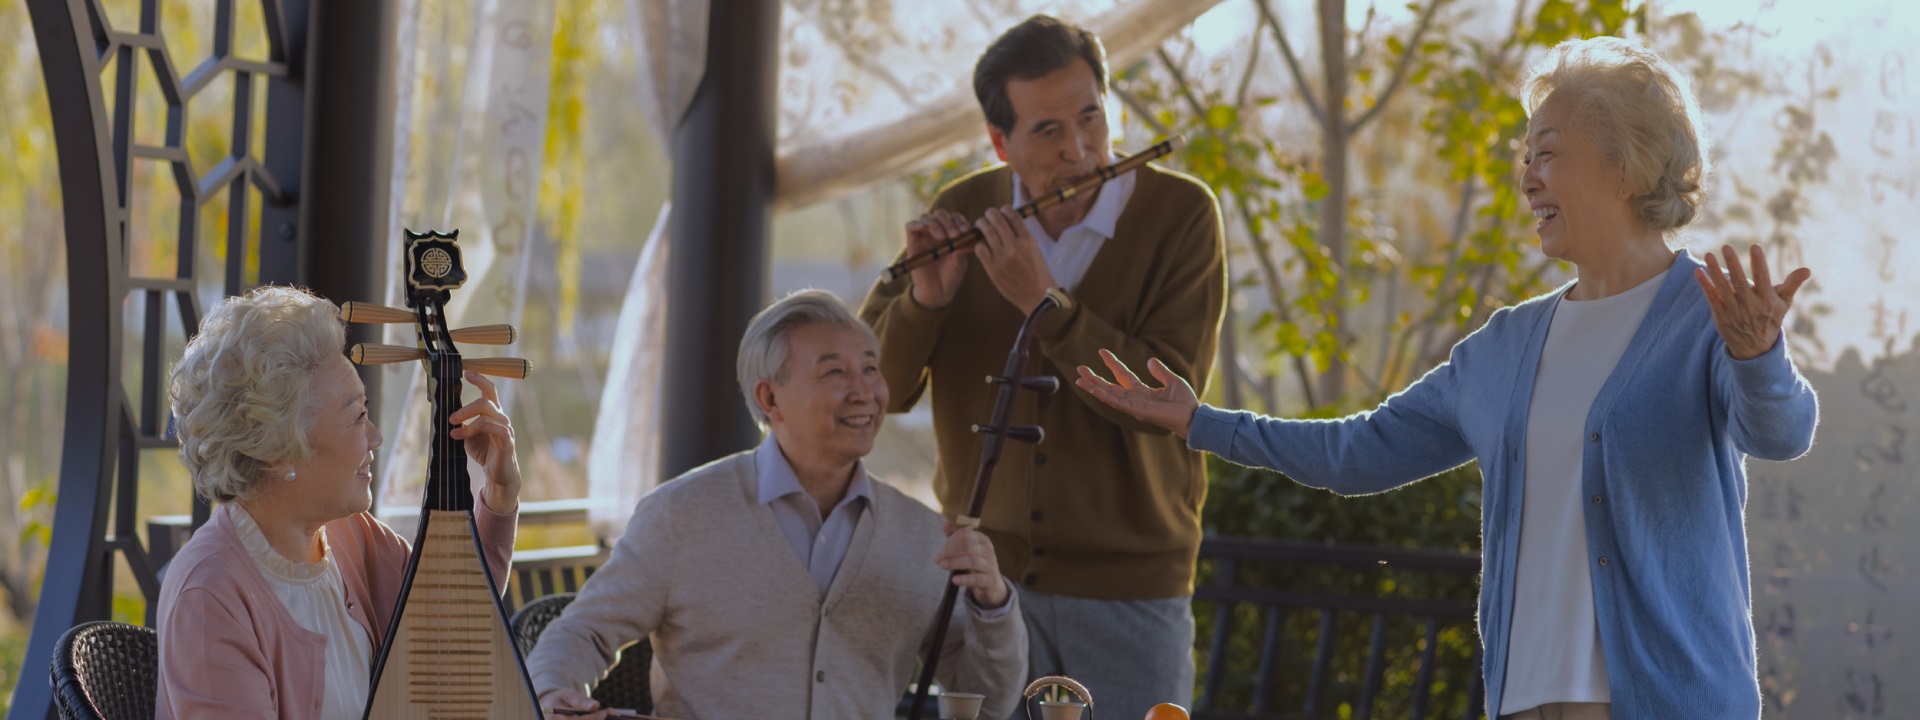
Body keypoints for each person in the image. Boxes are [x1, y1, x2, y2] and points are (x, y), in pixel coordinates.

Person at [1075, 37, 1819, 720]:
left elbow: (1781, 433)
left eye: (1548, 153)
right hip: (1526, 701)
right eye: (1525, 156)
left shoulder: (1710, 314)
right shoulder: (1504, 346)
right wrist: (1200, 422)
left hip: (1671, 702)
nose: (1527, 178)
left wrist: (1758, 356)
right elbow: (1358, 454)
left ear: (1626, 166)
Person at [858, 15, 1226, 718]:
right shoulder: (963, 209)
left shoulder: (1182, 216)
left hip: (1130, 591)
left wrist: (1044, 304)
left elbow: (1166, 403)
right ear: (1001, 143)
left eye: (1091, 117)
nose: (1080, 150)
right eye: (1048, 130)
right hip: (986, 585)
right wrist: (926, 303)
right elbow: (878, 391)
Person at [530, 290, 1027, 720]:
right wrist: (552, 692)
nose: (865, 392)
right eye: (835, 371)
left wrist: (993, 605)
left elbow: (988, 702)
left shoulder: (923, 536)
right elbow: (584, 631)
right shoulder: (679, 515)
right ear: (770, 398)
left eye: (870, 368)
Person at [155, 286, 523, 719]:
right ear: (278, 451)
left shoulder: (351, 538)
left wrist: (499, 494)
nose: (376, 438)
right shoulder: (209, 596)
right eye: (357, 416)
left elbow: (460, 622)